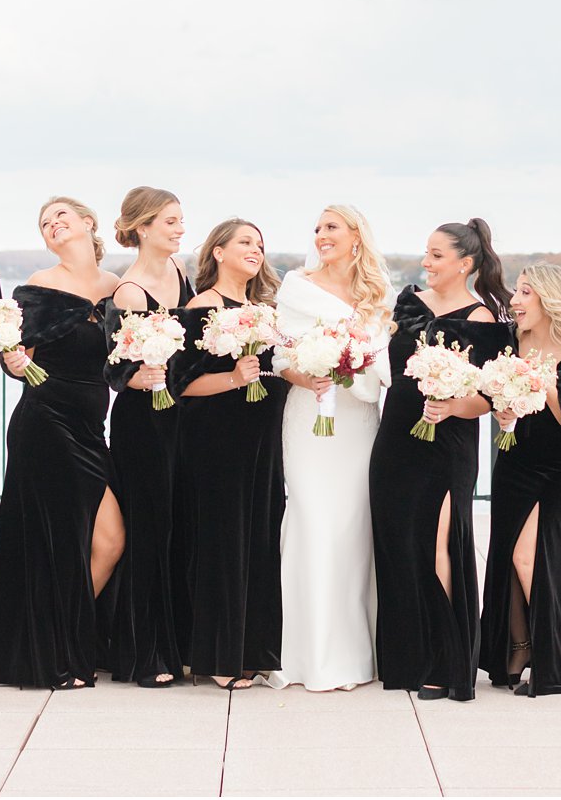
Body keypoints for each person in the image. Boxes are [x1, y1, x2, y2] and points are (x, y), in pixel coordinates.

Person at [0, 196, 123, 690]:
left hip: (92, 428)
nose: (53, 224)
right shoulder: (38, 288)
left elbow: (125, 364)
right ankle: (57, 649)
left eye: (61, 215)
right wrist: (13, 363)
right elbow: (14, 354)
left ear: (88, 223)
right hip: (45, 423)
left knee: (109, 541)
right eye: (45, 223)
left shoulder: (118, 290)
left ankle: (59, 637)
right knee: (66, 542)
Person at [369, 220, 508, 702]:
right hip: (396, 440)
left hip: (448, 445)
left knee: (439, 545)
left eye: (436, 255)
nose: (425, 263)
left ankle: (447, 661)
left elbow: (487, 398)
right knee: (396, 544)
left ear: (464, 263)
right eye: (425, 254)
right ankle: (405, 657)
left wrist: (452, 402)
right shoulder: (407, 305)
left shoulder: (486, 319)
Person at [267, 205, 392, 691]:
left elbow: (382, 363)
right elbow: (280, 357)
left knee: (351, 528)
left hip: (357, 418)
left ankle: (355, 655)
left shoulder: (377, 294)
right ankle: (303, 655)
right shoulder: (296, 285)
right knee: (311, 521)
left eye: (331, 227)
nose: (321, 235)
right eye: (317, 228)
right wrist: (309, 373)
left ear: (356, 235)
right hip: (308, 414)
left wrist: (355, 365)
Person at [175, 218, 288, 690]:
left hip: (261, 443)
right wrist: (234, 379)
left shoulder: (263, 310)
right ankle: (218, 659)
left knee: (259, 540)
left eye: (260, 244)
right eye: (244, 242)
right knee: (224, 544)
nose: (255, 250)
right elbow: (182, 384)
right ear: (217, 252)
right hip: (216, 443)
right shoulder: (202, 307)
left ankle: (249, 651)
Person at [478, 263, 561, 696]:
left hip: (558, 469)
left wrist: (546, 383)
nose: (515, 301)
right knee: (508, 555)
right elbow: (496, 400)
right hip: (513, 463)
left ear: (548, 298)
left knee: (531, 558)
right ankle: (518, 649)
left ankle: (556, 664)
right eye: (516, 292)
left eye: (525, 293)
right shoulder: (514, 342)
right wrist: (502, 409)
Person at [103, 186, 192, 687]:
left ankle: (176, 643)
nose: (180, 229)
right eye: (170, 222)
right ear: (142, 228)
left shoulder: (180, 274)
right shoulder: (130, 291)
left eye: (181, 220)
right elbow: (112, 359)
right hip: (145, 424)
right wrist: (130, 376)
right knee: (149, 530)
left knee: (177, 526)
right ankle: (143, 653)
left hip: (180, 418)